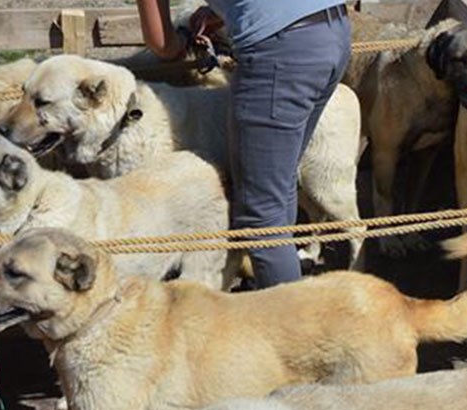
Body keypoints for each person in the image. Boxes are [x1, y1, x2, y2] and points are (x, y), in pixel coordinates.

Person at [137, 1, 352, 288]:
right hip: (331, 30)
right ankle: (270, 286)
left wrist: (183, 41)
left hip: (282, 50)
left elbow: (162, 43)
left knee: (261, 215)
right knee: (279, 184)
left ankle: (290, 325)